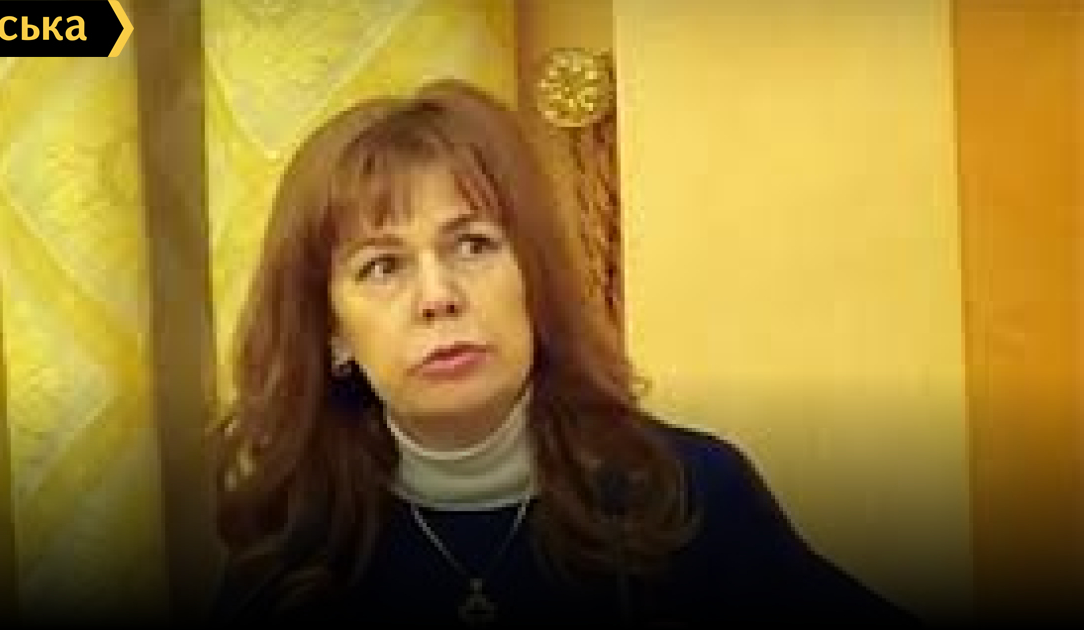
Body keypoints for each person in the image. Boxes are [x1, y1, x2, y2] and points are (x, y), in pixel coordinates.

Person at [208, 78, 919, 628]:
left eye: (473, 245)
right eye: (382, 266)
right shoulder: (289, 552)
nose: (438, 296)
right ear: (331, 330)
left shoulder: (691, 496)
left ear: (534, 280)